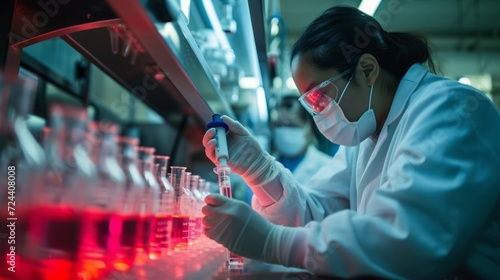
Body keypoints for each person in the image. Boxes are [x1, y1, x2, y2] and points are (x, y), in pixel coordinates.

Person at [201, 6, 500, 279]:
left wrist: (273, 242)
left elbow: (406, 243)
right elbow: (317, 214)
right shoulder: (367, 134)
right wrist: (261, 171)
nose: (318, 112)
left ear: (367, 70)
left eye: (319, 96)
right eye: (310, 103)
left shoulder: (449, 112)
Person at [270, 93, 333, 185]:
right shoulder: (263, 166)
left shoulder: (328, 168)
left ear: (310, 128)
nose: (284, 131)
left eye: (291, 126)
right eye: (279, 125)